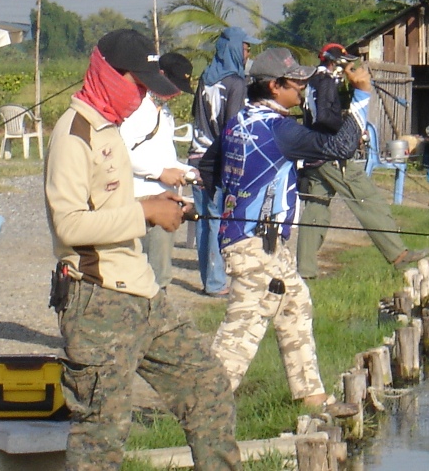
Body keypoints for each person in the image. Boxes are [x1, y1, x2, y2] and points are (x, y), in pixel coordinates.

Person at [44, 29, 240, 471]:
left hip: (144, 293)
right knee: (102, 435)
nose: (141, 97)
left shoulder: (111, 128)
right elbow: (70, 224)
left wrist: (159, 206)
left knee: (208, 386)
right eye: (137, 85)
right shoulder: (73, 134)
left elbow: (113, 205)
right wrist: (147, 213)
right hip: (96, 299)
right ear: (106, 73)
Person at [203, 47, 372, 407]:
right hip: (252, 243)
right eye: (296, 83)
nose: (302, 90)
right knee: (242, 330)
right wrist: (361, 94)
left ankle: (310, 396)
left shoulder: (239, 121)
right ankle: (204, 405)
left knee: (295, 303)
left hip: (257, 240)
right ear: (274, 86)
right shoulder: (279, 129)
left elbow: (208, 166)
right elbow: (342, 146)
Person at [296, 43, 426, 279]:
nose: (350, 68)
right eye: (346, 63)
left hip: (315, 153)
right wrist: (348, 131)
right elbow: (324, 117)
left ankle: (305, 270)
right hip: (330, 154)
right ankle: (397, 254)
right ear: (334, 62)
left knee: (317, 207)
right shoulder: (325, 82)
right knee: (368, 199)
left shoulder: (314, 81)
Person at [189, 27, 261, 296]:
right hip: (217, 159)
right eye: (245, 47)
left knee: (205, 220)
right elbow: (234, 127)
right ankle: (217, 283)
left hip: (196, 155)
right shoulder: (236, 83)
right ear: (233, 49)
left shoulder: (206, 78)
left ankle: (209, 280)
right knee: (218, 220)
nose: (248, 53)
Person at [119, 52, 199, 287]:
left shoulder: (164, 111)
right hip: (141, 195)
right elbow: (121, 153)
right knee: (149, 273)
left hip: (167, 196)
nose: (175, 93)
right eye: (173, 85)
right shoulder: (136, 108)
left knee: (161, 270)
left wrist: (187, 171)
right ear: (160, 76)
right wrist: (159, 172)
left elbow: (165, 155)